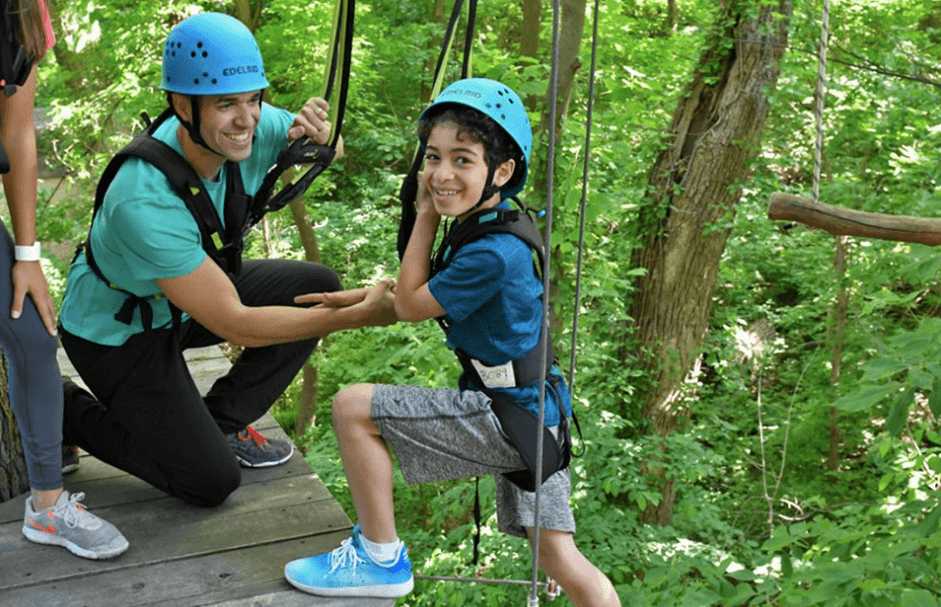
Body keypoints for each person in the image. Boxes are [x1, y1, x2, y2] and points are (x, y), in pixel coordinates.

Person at [283, 78, 620, 605]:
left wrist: (421, 215)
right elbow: (421, 293)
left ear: (501, 172)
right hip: (535, 415)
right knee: (561, 559)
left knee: (352, 408)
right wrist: (364, 298)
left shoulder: (490, 251)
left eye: (462, 160)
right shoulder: (491, 225)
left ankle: (379, 557)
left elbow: (416, 306)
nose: (440, 175)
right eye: (434, 157)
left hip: (512, 416)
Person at [57, 12, 396, 509]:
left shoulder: (245, 131)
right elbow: (237, 325)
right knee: (208, 482)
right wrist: (357, 316)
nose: (247, 119)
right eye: (226, 104)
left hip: (182, 302)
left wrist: (322, 136)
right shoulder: (143, 198)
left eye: (253, 99)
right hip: (117, 333)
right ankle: (63, 408)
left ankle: (217, 425)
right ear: (181, 105)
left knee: (315, 284)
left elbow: (331, 150)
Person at [1, 0, 128, 559]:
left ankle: (48, 507)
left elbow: (18, 134)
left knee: (32, 335)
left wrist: (27, 253)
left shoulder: (25, 17)